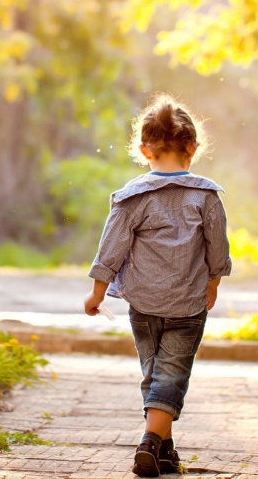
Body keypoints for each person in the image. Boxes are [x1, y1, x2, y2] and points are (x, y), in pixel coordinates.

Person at [84, 93, 232, 477]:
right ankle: (150, 444)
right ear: (193, 148)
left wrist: (98, 293)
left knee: (155, 374)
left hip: (144, 305)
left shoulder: (133, 197)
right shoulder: (206, 197)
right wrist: (214, 281)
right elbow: (218, 248)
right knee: (171, 374)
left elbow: (110, 250)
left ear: (145, 149)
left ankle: (164, 450)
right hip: (188, 305)